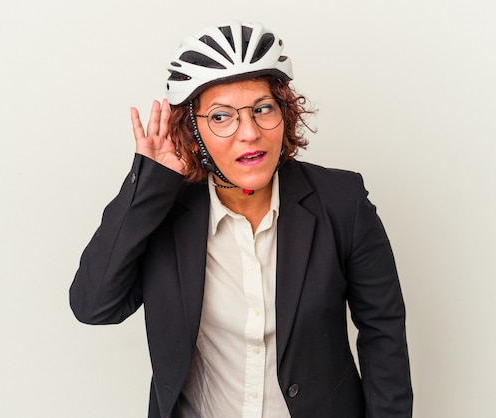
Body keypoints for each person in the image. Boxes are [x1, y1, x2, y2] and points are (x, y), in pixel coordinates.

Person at [70, 21, 412, 418]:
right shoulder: (164, 212)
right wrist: (149, 186)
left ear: (284, 112)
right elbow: (93, 306)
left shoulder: (341, 201)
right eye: (220, 117)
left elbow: (383, 332)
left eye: (262, 109)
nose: (249, 132)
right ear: (192, 130)